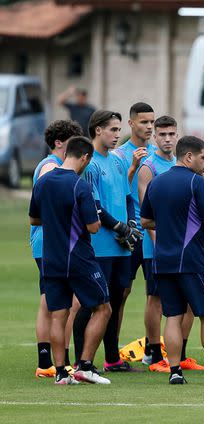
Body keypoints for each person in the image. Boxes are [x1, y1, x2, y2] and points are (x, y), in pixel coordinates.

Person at [140, 135, 204, 385]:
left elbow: (145, 221)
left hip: (163, 261)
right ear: (189, 157)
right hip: (192, 261)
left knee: (173, 316)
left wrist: (169, 224)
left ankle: (175, 371)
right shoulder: (196, 183)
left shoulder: (157, 182)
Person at [29, 136, 111, 385]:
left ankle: (61, 373)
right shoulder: (79, 186)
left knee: (58, 315)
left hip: (51, 258)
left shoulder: (42, 183)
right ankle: (85, 365)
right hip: (78, 259)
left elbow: (34, 220)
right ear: (85, 157)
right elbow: (93, 227)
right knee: (103, 308)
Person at [137, 116, 204, 372]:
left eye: (171, 134)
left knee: (186, 302)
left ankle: (179, 354)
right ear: (154, 137)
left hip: (185, 249)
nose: (167, 139)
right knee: (156, 299)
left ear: (177, 136)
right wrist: (160, 246)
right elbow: (150, 217)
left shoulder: (186, 166)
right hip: (159, 249)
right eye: (162, 134)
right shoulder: (149, 167)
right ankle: (154, 353)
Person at [76, 110, 142, 373]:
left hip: (120, 247)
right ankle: (81, 361)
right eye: (112, 130)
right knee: (93, 303)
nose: (117, 135)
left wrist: (132, 224)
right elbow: (94, 206)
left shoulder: (117, 161)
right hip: (99, 246)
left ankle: (112, 359)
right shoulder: (89, 164)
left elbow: (127, 197)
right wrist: (119, 226)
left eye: (118, 130)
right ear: (97, 130)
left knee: (115, 300)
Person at [31, 120, 83, 378]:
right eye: (71, 142)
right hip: (50, 242)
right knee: (56, 304)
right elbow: (42, 205)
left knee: (52, 302)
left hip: (50, 242)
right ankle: (50, 361)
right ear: (59, 143)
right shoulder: (51, 167)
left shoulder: (51, 165)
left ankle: (48, 362)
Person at [114, 103, 156, 292]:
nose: (149, 126)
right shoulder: (119, 155)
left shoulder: (158, 154)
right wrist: (132, 167)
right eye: (144, 122)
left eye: (152, 122)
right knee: (121, 292)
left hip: (154, 232)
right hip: (130, 232)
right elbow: (116, 192)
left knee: (156, 295)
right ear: (131, 123)